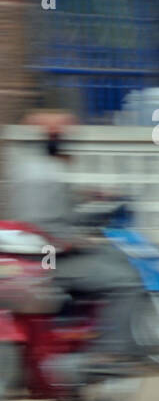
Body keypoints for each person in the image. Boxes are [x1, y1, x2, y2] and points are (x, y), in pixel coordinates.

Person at [6, 124, 139, 362]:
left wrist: (94, 197)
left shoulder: (22, 173)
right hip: (48, 261)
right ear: (65, 154)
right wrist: (78, 242)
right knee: (126, 282)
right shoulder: (51, 177)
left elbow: (58, 213)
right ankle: (111, 350)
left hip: (21, 258)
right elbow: (48, 226)